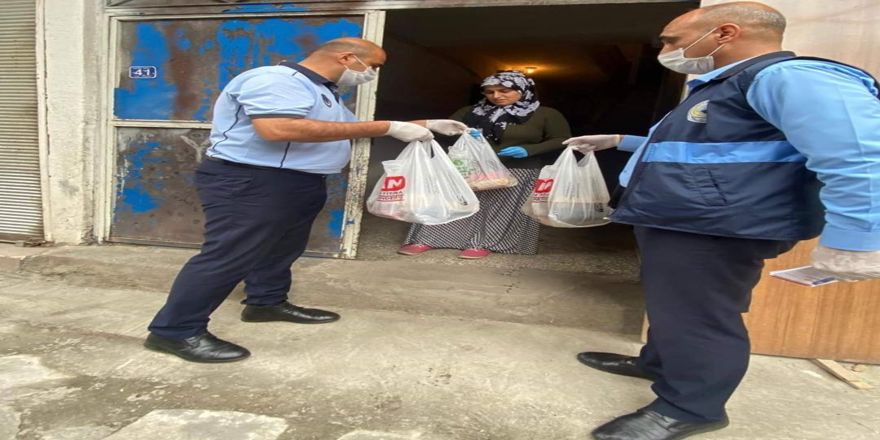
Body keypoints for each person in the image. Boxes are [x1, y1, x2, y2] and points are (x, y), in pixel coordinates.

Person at [563, 2, 880, 439]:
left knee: (701, 315)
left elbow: (860, 156)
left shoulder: (789, 78)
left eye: (672, 41)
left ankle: (690, 406)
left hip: (718, 225)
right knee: (674, 303)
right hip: (685, 218)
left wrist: (856, 238)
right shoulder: (719, 85)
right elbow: (709, 146)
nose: (667, 50)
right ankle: (657, 361)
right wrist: (621, 141)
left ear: (725, 33)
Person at [145, 38, 468, 363]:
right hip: (252, 179)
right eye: (374, 66)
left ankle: (265, 303)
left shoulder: (324, 91)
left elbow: (345, 127)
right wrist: (389, 126)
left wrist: (422, 125)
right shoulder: (275, 80)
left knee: (283, 247)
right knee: (228, 254)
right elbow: (277, 128)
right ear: (347, 58)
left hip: (297, 180)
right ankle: (174, 331)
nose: (372, 74)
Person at [398, 71, 572, 259]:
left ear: (524, 90)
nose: (496, 96)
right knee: (454, 202)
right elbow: (445, 130)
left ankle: (484, 243)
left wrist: (528, 150)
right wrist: (461, 134)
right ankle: (428, 239)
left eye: (504, 90)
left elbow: (562, 140)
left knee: (501, 210)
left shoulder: (545, 114)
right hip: (469, 167)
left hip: (518, 169)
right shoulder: (469, 112)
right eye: (490, 92)